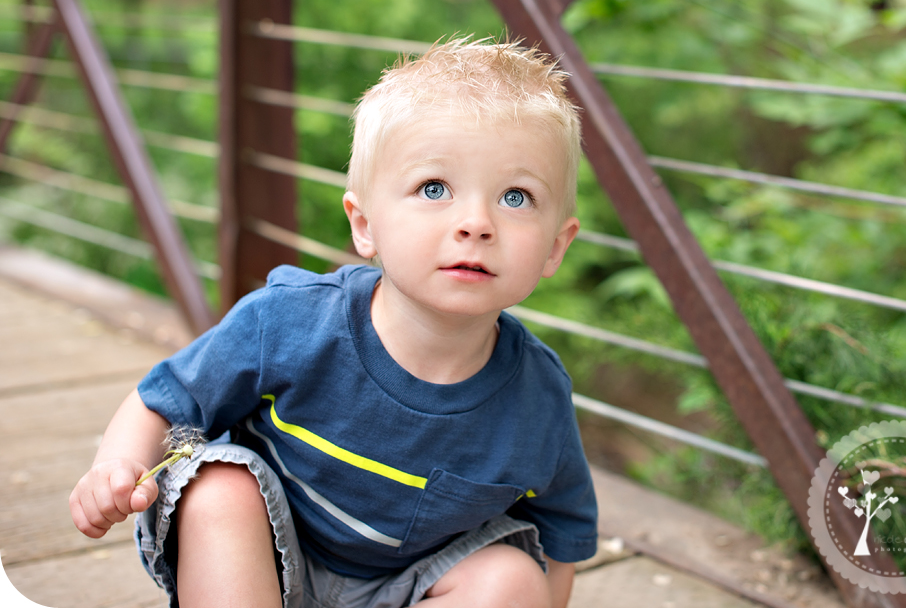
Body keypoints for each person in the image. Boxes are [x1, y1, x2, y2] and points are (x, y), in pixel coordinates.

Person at [69, 38, 598, 608]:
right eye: (434, 188)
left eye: (516, 197)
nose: (476, 222)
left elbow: (562, 530)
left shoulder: (536, 396)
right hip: (263, 561)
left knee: (514, 580)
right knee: (220, 488)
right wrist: (117, 466)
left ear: (554, 247)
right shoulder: (293, 321)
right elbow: (163, 400)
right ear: (364, 224)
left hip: (411, 584)